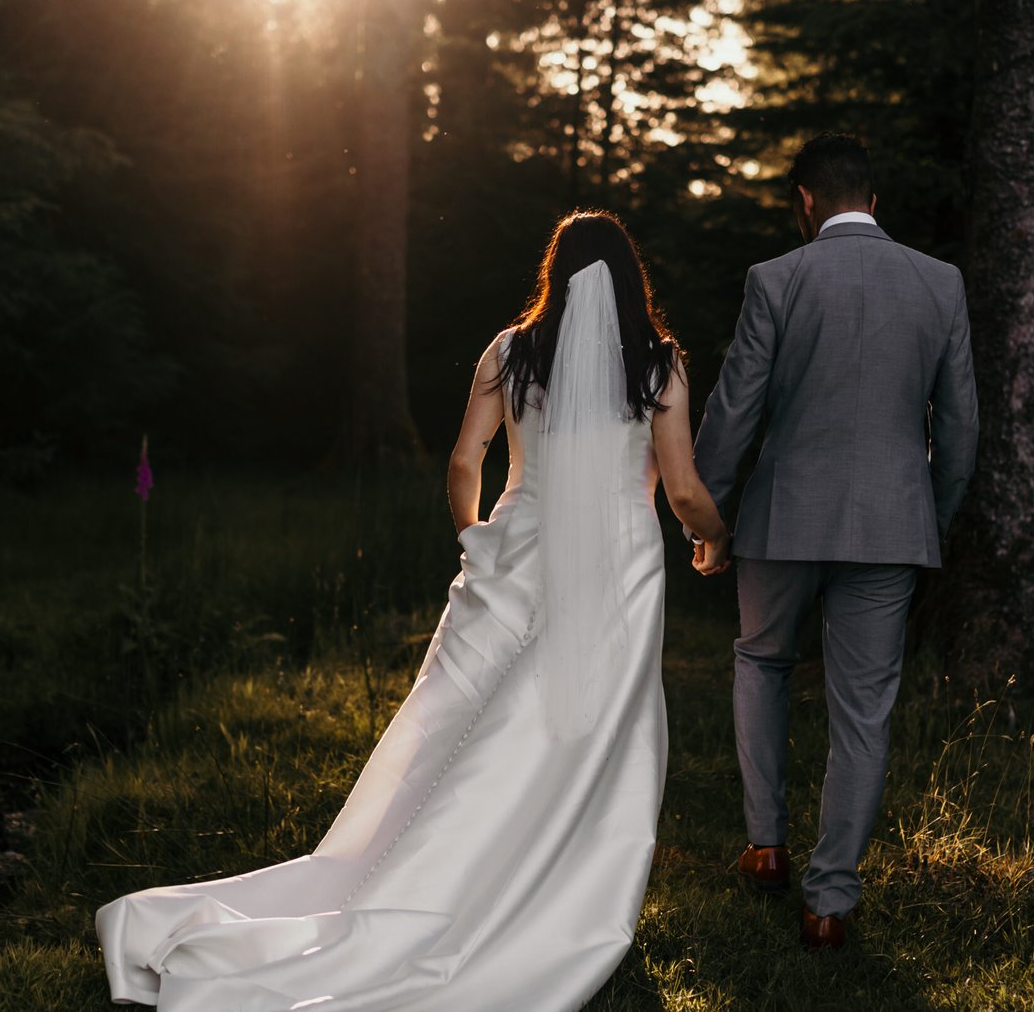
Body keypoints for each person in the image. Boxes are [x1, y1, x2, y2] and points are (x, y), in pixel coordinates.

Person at [94, 210, 731, 1010]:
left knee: (466, 732)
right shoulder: (659, 364)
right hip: (619, 566)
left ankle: (431, 878)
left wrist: (480, 543)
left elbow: (466, 461)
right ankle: (564, 890)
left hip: (518, 551)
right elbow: (680, 489)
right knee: (592, 730)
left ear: (555, 274)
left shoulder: (510, 352)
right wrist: (714, 537)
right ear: (630, 279)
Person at [691, 133, 979, 952]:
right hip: (893, 523)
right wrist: (936, 514)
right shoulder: (940, 283)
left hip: (783, 518)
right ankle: (831, 901)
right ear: (874, 199)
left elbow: (735, 407)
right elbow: (960, 425)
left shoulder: (776, 279)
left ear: (805, 202)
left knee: (762, 661)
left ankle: (766, 843)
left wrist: (706, 514)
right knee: (864, 709)